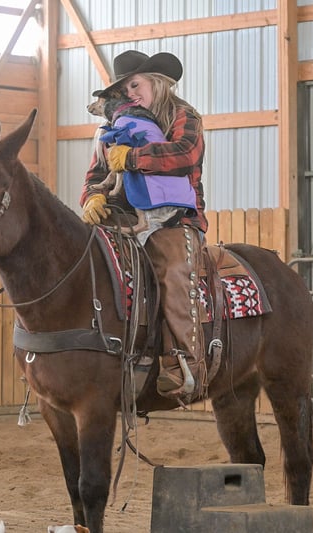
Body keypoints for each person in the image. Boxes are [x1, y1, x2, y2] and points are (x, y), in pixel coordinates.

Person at [80, 50, 208, 402]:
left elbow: (185, 154)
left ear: (156, 81)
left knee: (172, 272)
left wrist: (134, 157)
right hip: (122, 218)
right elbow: (96, 174)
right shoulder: (111, 127)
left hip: (177, 220)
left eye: (135, 85)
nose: (130, 94)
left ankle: (183, 364)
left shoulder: (183, 116)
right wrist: (92, 197)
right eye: (124, 90)